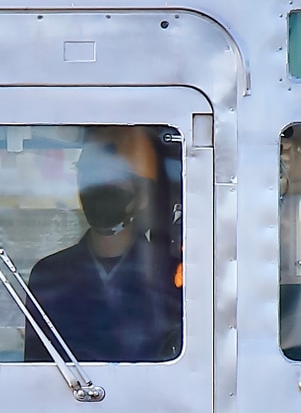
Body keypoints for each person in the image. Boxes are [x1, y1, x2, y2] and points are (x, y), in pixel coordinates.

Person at [23, 130, 182, 365]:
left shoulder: (171, 276)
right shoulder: (49, 274)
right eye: (90, 177)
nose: (99, 188)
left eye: (114, 179)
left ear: (143, 196)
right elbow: (36, 371)